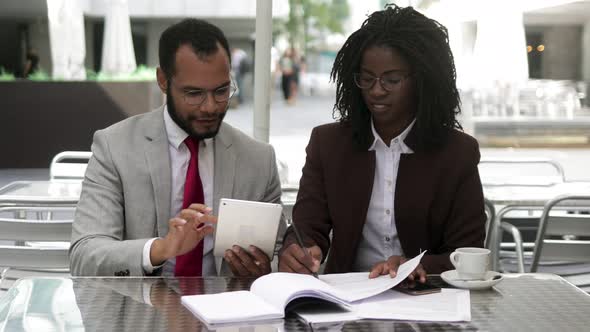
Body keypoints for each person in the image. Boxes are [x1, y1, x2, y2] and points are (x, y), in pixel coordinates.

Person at [278, 5, 486, 282]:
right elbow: (306, 227)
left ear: (423, 79)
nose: (376, 90)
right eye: (366, 78)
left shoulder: (457, 152)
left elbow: (467, 251)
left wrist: (416, 265)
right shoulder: (327, 144)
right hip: (345, 297)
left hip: (428, 300)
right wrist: (297, 250)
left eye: (392, 80)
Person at [70, 18, 282, 278]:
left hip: (228, 310)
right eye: (194, 94)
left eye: (222, 91)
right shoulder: (115, 147)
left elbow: (278, 256)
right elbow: (84, 255)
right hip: (143, 311)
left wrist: (262, 268)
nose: (210, 107)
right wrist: (159, 249)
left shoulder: (259, 160)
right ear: (163, 80)